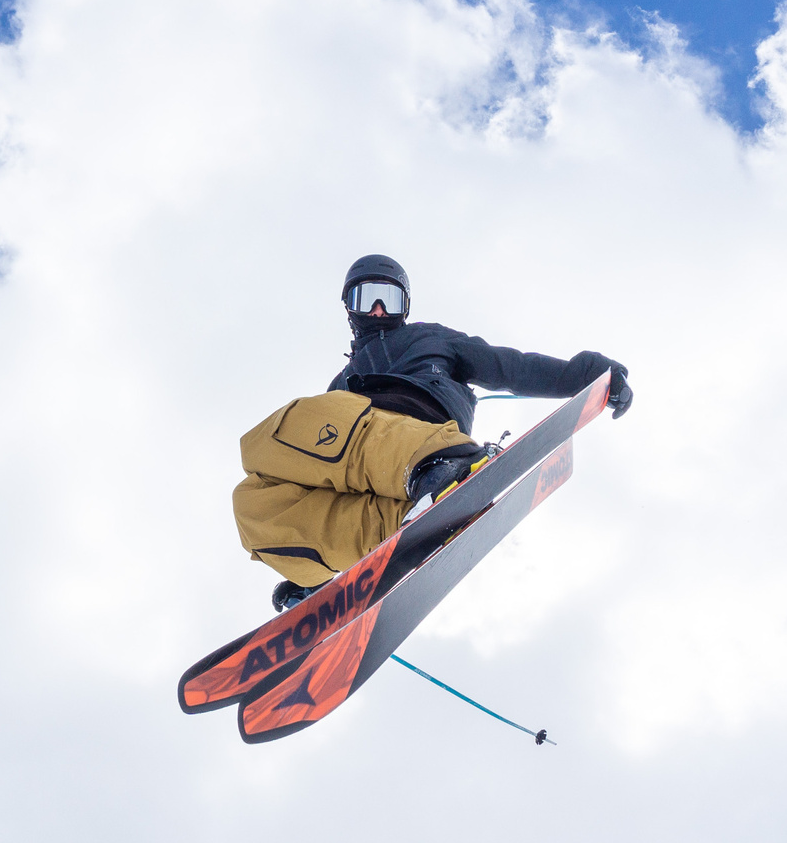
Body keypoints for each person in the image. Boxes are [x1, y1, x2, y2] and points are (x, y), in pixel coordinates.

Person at [232, 254, 633, 610]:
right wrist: (307, 574)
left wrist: (591, 375)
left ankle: (444, 467)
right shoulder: (340, 385)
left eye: (386, 299)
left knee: (285, 424)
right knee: (253, 501)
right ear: (348, 308)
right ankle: (373, 541)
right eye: (365, 298)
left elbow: (511, 367)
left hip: (419, 425)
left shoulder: (432, 338)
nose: (375, 310)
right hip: (375, 469)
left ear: (404, 306)